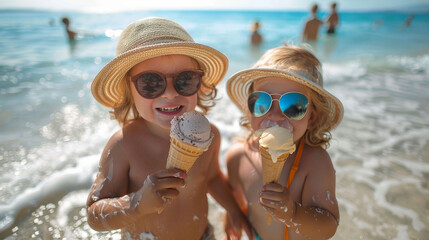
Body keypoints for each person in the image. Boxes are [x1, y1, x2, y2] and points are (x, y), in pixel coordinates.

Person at [86, 17, 252, 239]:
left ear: (199, 84)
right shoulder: (123, 144)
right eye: (151, 83)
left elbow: (211, 177)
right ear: (128, 90)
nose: (170, 93)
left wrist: (234, 209)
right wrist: (137, 203)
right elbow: (94, 215)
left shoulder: (209, 135)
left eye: (185, 80)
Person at [223, 45, 343, 240]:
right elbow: (237, 199)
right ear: (250, 108)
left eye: (294, 105)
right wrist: (233, 215)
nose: (276, 115)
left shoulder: (314, 162)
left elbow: (328, 225)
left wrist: (293, 213)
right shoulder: (237, 157)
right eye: (262, 101)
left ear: (311, 118)